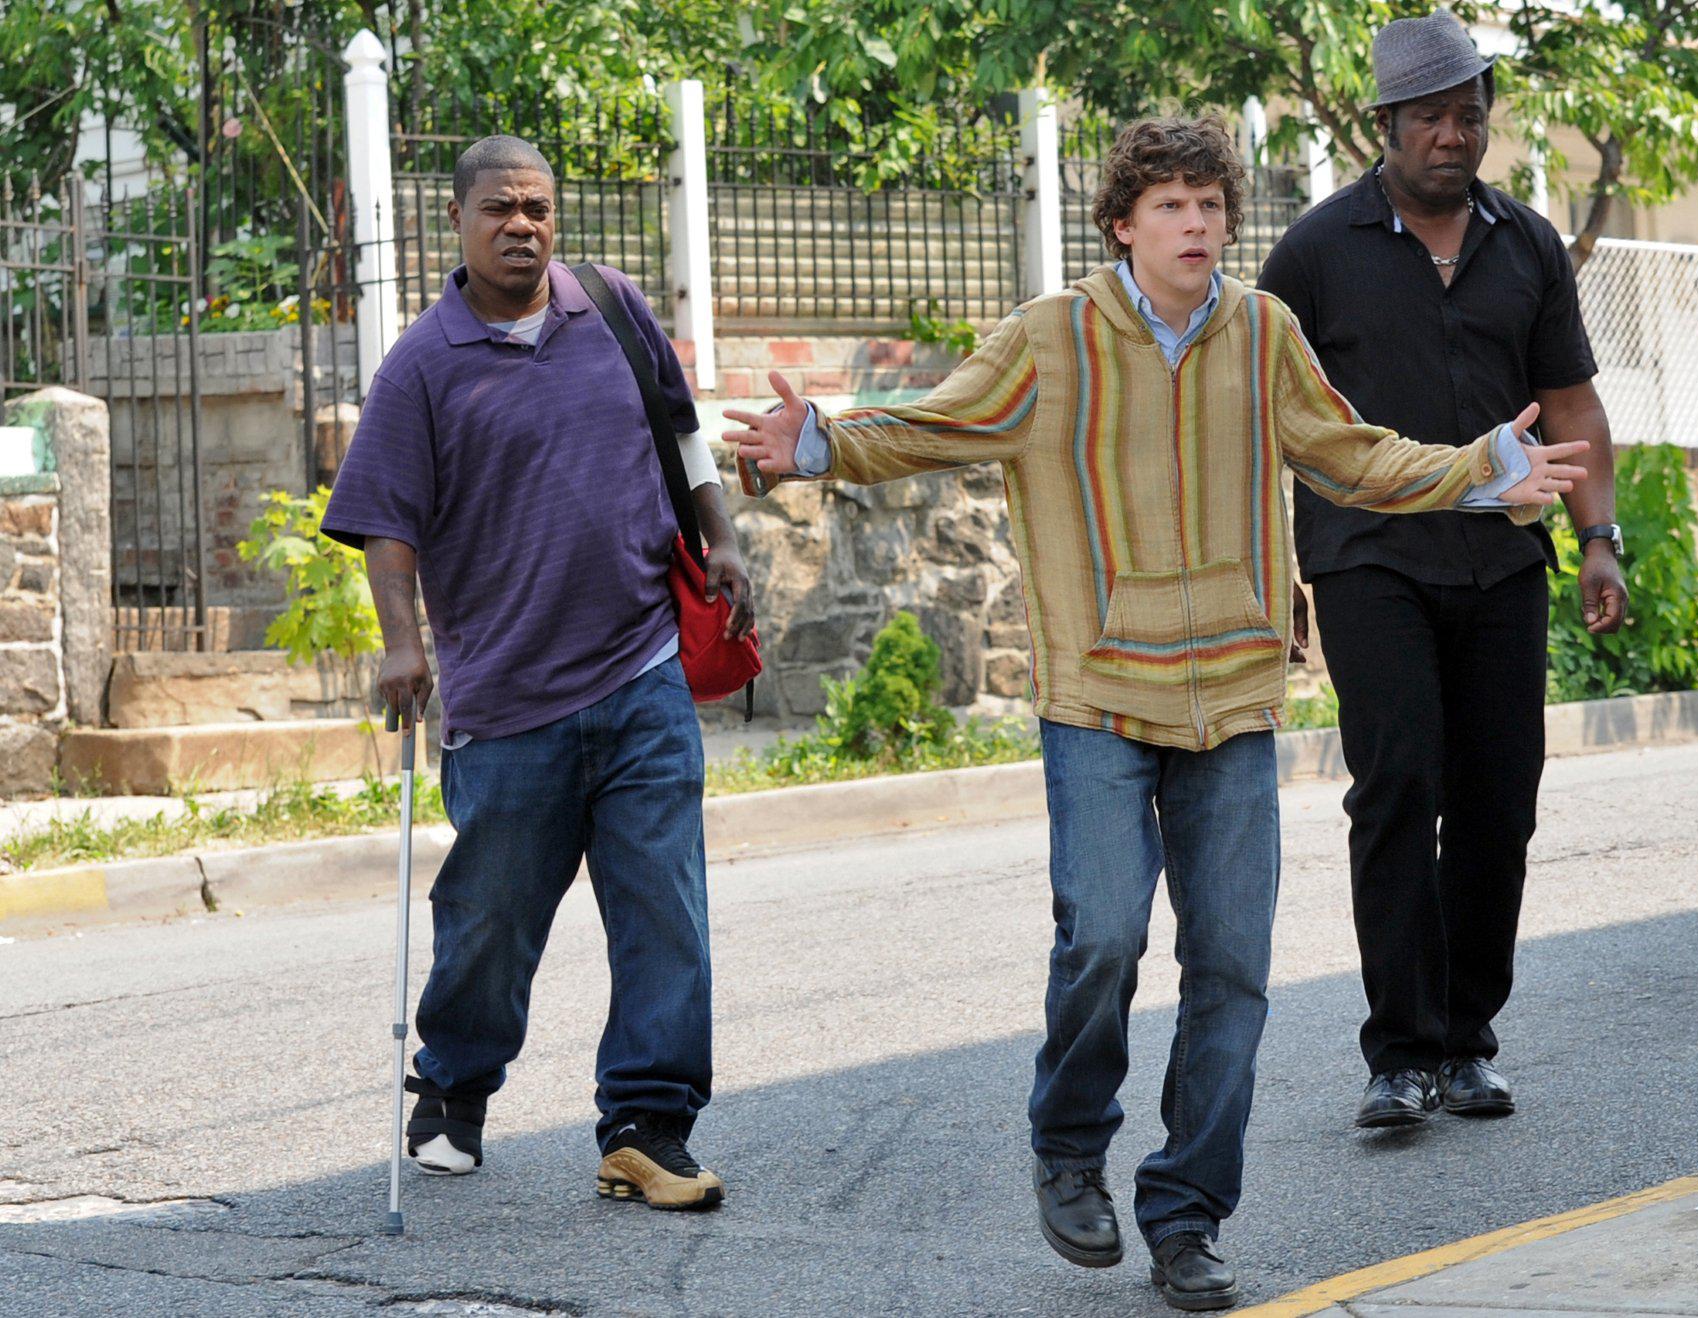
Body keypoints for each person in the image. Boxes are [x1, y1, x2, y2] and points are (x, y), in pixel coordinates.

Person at [725, 117, 1585, 1310]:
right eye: (1168, 204)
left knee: (1231, 967)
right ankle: (1069, 1143)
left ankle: (1186, 1212)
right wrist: (818, 440)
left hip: (1230, 694)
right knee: (1102, 937)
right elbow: (936, 422)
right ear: (1121, 224)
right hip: (1098, 695)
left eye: (1209, 204)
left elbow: (1348, 455)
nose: (1194, 224)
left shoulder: (1262, 332)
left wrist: (1478, 469)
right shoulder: (1052, 336)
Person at [321, 134, 755, 1211]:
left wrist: (722, 538)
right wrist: (403, 643)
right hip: (510, 701)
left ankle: (646, 1126)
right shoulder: (421, 365)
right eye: (500, 209)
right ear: (457, 222)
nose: (522, 225)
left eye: (538, 208)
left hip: (643, 671)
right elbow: (386, 524)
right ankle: (453, 1087)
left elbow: (682, 434)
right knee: (491, 919)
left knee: (665, 910)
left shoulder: (610, 306)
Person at [1258, 8, 1630, 1131]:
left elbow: (1570, 404)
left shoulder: (1527, 243)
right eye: (1428, 116)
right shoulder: (1313, 253)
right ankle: (1401, 1053)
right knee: (1397, 787)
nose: (1451, 135)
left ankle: (1467, 1041)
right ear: (1385, 123)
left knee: (1497, 802)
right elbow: (1258, 421)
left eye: (1466, 115)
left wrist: (1598, 539)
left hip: (1501, 559)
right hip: (1366, 558)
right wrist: (1272, 575)